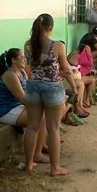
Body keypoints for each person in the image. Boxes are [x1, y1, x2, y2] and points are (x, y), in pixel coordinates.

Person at [25, 14, 77, 176]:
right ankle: (55, 168)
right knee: (53, 128)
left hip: (33, 86)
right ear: (50, 28)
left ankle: (28, 165)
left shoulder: (28, 45)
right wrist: (74, 88)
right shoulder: (57, 46)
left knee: (32, 127)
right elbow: (66, 70)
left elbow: (30, 66)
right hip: (52, 88)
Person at [0, 49, 49, 163]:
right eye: (22, 57)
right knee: (40, 117)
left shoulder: (21, 72)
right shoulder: (10, 75)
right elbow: (23, 99)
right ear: (13, 60)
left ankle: (41, 146)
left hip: (15, 107)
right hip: (4, 111)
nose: (25, 59)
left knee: (44, 113)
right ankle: (36, 155)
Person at [67, 44, 96, 108]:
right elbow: (89, 63)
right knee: (92, 80)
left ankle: (85, 100)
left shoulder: (73, 53)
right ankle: (86, 100)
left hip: (72, 77)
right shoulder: (78, 56)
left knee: (90, 79)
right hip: (73, 79)